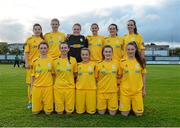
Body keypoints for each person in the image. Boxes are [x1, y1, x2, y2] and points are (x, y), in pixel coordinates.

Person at [119, 41, 146, 116]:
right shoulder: (122, 61)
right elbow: (119, 76)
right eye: (128, 49)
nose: (130, 51)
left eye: (132, 49)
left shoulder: (140, 61)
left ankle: (134, 107)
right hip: (125, 91)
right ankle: (127, 107)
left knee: (139, 114)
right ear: (126, 50)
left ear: (136, 50)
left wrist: (144, 89)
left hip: (137, 91)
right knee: (124, 114)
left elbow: (143, 76)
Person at [52, 42, 77, 114]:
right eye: (62, 48)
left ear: (68, 49)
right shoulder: (55, 61)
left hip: (70, 87)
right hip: (58, 87)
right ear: (59, 49)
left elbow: (75, 74)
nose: (64, 49)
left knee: (69, 112)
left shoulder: (73, 60)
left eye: (65, 47)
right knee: (59, 112)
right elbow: (53, 74)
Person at [95, 45, 120, 115]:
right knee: (101, 113)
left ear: (112, 53)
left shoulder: (117, 63)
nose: (108, 53)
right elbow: (96, 78)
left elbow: (119, 76)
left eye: (109, 52)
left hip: (113, 91)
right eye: (106, 52)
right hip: (101, 91)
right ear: (103, 53)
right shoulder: (98, 64)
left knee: (112, 113)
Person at [30, 41, 54, 115]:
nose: (43, 50)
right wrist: (31, 89)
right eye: (41, 48)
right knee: (35, 112)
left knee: (48, 112)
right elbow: (33, 76)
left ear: (47, 49)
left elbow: (54, 75)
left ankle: (47, 107)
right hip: (37, 87)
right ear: (38, 49)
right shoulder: (34, 61)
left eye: (45, 48)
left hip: (48, 87)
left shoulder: (52, 60)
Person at [24, 23, 44, 109]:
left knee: (40, 83)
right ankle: (30, 101)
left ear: (41, 30)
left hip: (40, 65)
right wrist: (26, 63)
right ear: (33, 30)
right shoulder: (29, 40)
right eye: (35, 29)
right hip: (31, 66)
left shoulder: (43, 40)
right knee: (30, 84)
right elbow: (26, 52)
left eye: (39, 29)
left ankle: (39, 100)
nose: (37, 30)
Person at [76, 48, 96, 114]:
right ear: (81, 55)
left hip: (91, 89)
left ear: (89, 55)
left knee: (91, 112)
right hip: (80, 89)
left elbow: (96, 77)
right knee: (79, 112)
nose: (85, 56)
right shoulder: (78, 65)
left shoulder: (94, 65)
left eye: (86, 54)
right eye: (83, 54)